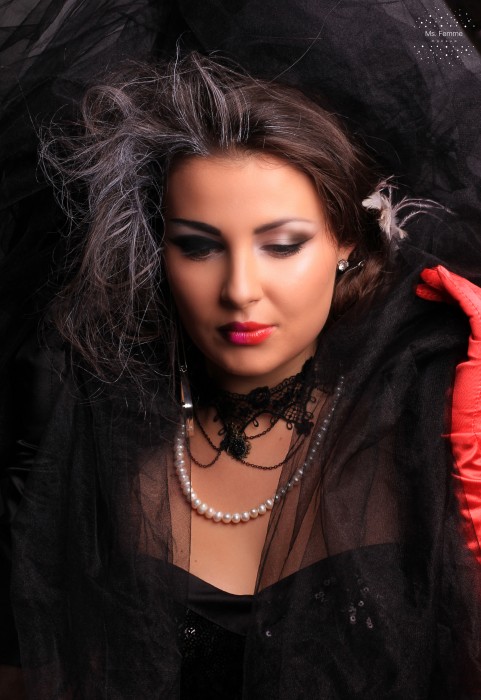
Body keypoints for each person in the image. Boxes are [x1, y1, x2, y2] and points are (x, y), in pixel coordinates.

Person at [4, 50, 481, 699]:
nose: (239, 290)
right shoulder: (107, 461)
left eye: (282, 245)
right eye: (198, 245)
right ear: (157, 251)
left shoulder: (428, 437)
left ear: (345, 242)